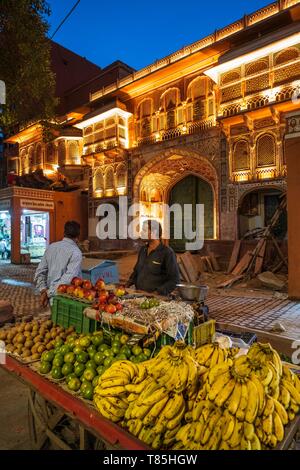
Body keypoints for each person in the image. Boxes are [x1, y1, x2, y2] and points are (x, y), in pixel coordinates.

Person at [34, 221, 82, 308]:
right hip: (65, 300)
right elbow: (68, 279)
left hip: (51, 299)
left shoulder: (51, 247)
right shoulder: (76, 252)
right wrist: (48, 293)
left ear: (64, 233)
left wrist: (43, 290)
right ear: (78, 236)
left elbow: (40, 272)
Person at [126, 219, 180, 296]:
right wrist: (126, 285)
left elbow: (175, 280)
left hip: (156, 300)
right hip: (139, 296)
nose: (141, 232)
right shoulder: (143, 250)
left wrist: (154, 294)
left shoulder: (167, 253)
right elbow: (136, 271)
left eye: (144, 230)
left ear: (154, 232)